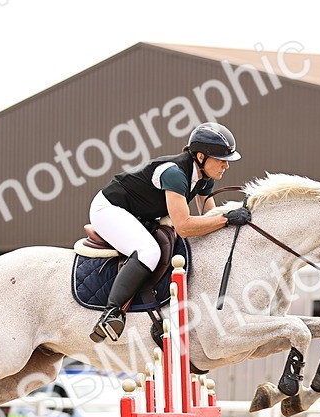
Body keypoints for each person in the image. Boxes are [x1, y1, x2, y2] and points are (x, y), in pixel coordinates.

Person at [88, 122, 252, 342]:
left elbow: (208, 217)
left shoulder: (204, 178)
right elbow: (184, 226)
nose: (226, 166)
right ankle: (112, 313)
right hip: (109, 208)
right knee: (148, 251)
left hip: (138, 214)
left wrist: (230, 219)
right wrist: (226, 219)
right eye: (222, 160)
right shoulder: (174, 173)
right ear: (201, 157)